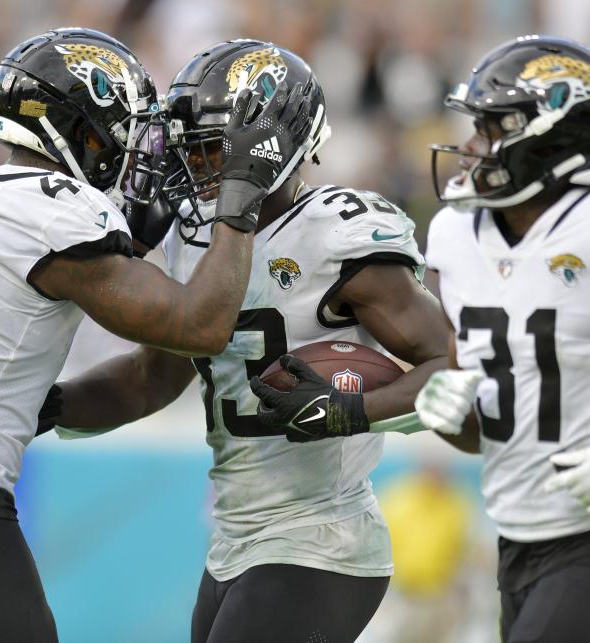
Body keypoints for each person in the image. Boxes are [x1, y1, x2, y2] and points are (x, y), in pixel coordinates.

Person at [0, 27, 312, 643]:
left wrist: (127, 241)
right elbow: (202, 325)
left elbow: (15, 268)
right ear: (81, 130)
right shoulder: (63, 214)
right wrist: (237, 202)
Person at [255, 35, 590, 643]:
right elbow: (480, 432)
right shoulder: (458, 236)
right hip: (518, 548)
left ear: (558, 142)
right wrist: (446, 412)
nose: (471, 145)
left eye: (493, 127)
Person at [42, 39, 452, 643]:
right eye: (187, 153)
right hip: (236, 540)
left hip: (321, 539)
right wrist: (42, 407)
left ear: (271, 149)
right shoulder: (196, 241)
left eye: (209, 151)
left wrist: (353, 410)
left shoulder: (338, 237)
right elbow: (149, 380)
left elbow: (458, 367)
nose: (193, 172)